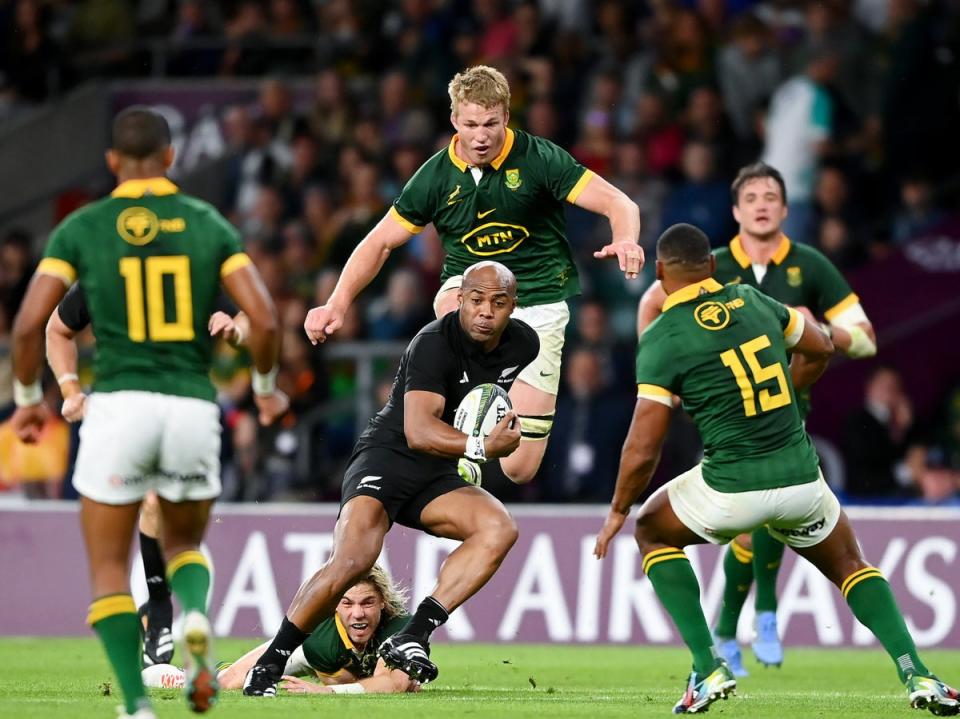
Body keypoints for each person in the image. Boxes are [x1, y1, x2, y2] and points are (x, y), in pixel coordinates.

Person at [595, 224, 958, 716]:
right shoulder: (753, 301)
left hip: (731, 489)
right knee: (852, 564)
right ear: (714, 267)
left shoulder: (662, 337)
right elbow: (823, 347)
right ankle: (918, 673)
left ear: (660, 273)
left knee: (653, 531)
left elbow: (643, 446)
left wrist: (618, 508)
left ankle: (708, 667)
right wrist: (786, 387)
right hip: (802, 481)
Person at [9, 106, 288, 719]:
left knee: (109, 565)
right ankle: (190, 620)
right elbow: (264, 319)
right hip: (190, 405)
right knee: (185, 542)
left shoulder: (84, 229)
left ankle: (136, 705)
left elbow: (34, 325)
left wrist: (41, 398)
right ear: (170, 158)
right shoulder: (206, 225)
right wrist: (265, 385)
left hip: (118, 406)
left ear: (112, 163)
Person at [303, 65, 642, 488]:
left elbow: (619, 203)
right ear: (453, 121)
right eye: (470, 125)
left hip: (539, 304)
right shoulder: (435, 177)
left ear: (506, 116)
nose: (481, 135)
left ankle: (474, 421)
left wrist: (626, 239)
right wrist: (337, 302)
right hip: (464, 286)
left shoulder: (539, 159)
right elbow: (379, 242)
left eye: (490, 124)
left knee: (520, 469)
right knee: (461, 305)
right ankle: (456, 435)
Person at [243, 261, 539, 697]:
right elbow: (419, 431)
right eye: (476, 301)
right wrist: (480, 447)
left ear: (513, 307)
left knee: (498, 529)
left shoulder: (523, 345)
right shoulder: (434, 343)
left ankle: (413, 634)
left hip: (437, 472)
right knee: (353, 560)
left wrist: (506, 434)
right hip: (389, 457)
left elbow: (485, 404)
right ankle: (269, 663)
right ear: (460, 301)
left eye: (498, 303)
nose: (485, 312)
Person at [636, 162, 877, 674]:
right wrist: (658, 375)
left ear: (786, 209)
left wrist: (820, 332)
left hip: (789, 412)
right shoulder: (708, 263)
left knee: (764, 519)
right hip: (726, 417)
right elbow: (652, 304)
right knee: (758, 522)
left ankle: (738, 626)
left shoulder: (810, 265)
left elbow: (865, 336)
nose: (762, 205)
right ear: (736, 211)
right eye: (751, 198)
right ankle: (751, 618)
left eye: (771, 196)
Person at [44, 285, 254, 669]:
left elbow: (247, 319)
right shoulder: (101, 270)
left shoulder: (191, 267)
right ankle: (164, 615)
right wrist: (70, 389)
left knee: (171, 516)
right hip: (119, 407)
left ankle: (161, 618)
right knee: (136, 515)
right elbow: (55, 328)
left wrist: (233, 328)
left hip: (184, 407)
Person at [143, 566, 419, 695]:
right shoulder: (321, 637)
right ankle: (186, 677)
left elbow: (392, 683)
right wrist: (333, 688)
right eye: (346, 603)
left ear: (383, 602)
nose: (357, 613)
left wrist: (392, 680)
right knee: (227, 683)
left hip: (344, 661)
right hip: (304, 651)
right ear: (335, 606)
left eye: (367, 603)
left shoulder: (400, 627)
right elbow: (343, 680)